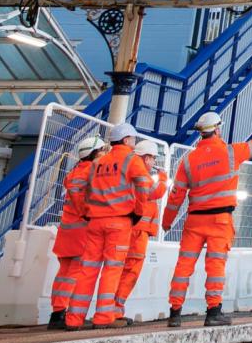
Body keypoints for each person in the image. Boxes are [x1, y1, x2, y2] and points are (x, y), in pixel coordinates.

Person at [162, 111, 252, 328]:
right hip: (219, 221)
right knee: (215, 266)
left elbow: (176, 196)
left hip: (194, 222)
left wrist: (167, 222)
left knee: (184, 265)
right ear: (218, 129)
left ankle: (175, 313)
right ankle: (213, 312)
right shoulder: (231, 152)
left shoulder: (187, 161)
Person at [68, 122, 149, 330]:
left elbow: (76, 186)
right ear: (126, 140)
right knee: (112, 270)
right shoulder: (131, 160)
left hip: (95, 222)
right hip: (120, 221)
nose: (134, 142)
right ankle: (103, 317)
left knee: (88, 270)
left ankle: (73, 319)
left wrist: (83, 211)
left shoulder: (97, 163)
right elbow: (144, 187)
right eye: (133, 139)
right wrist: (138, 212)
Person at [104, 138, 169, 327]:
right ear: (146, 157)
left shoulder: (126, 170)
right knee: (130, 270)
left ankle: (111, 309)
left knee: (119, 268)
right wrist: (163, 178)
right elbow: (155, 191)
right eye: (153, 159)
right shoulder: (139, 172)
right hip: (137, 231)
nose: (154, 163)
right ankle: (114, 310)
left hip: (130, 228)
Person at [46, 134, 107, 330]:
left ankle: (57, 313)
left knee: (63, 274)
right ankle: (69, 315)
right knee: (75, 274)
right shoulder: (92, 172)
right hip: (82, 232)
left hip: (67, 232)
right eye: (103, 151)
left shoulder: (74, 172)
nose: (105, 154)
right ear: (95, 153)